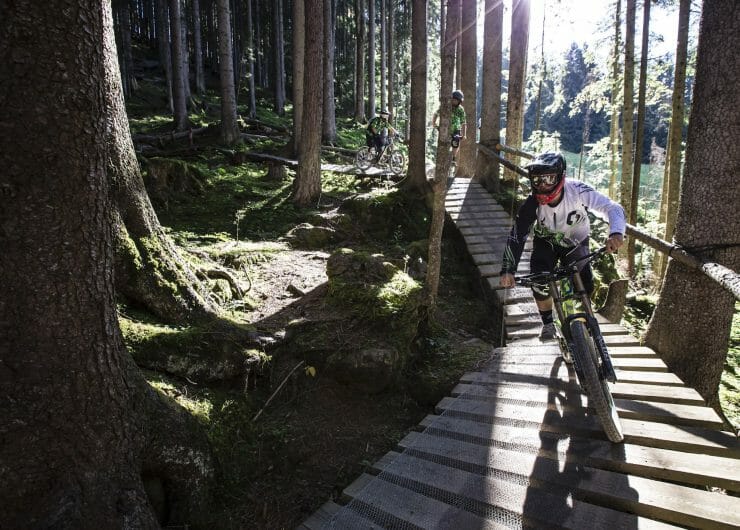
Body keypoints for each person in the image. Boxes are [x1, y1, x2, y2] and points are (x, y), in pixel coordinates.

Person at [498, 152, 626, 340]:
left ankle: (587, 324)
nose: (542, 186)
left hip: (576, 241)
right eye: (536, 180)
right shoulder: (532, 203)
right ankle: (548, 322)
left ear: (561, 177)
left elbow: (612, 207)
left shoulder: (578, 190)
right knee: (539, 283)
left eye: (549, 179)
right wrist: (508, 269)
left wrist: (616, 232)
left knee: (584, 284)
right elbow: (518, 234)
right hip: (546, 243)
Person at [432, 90, 467, 161]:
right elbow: (436, 114)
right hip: (444, 128)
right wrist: (434, 123)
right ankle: (441, 157)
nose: (454, 101)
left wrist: (464, 134)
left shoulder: (460, 109)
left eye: (456, 100)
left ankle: (453, 158)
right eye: (453, 100)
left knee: (456, 143)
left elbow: (463, 122)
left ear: (459, 101)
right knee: (442, 143)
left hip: (456, 129)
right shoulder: (446, 106)